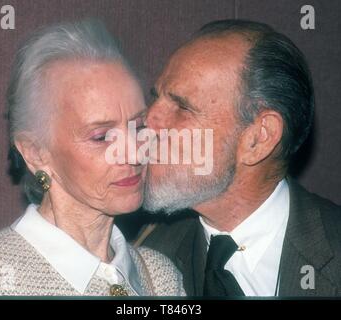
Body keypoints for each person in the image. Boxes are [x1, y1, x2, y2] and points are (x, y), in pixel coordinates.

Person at [0, 19, 184, 296]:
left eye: (138, 127)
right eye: (101, 137)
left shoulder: (160, 278)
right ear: (35, 152)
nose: (135, 153)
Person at [140, 19, 341, 297]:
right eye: (156, 97)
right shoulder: (146, 264)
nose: (149, 120)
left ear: (259, 138)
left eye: (182, 106)